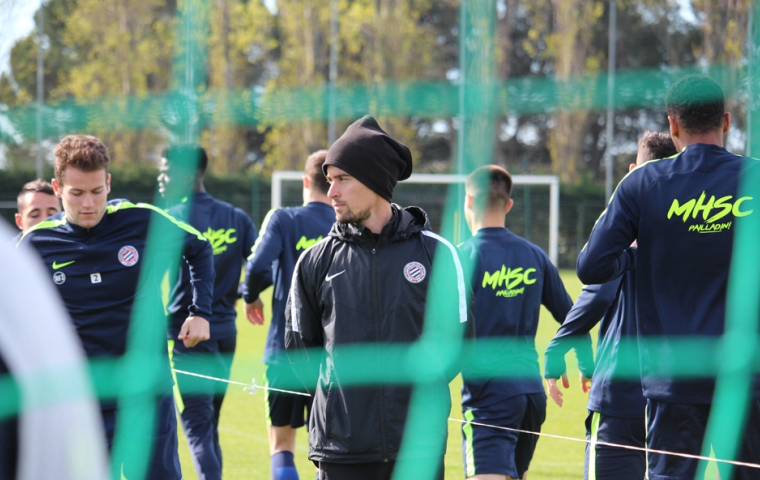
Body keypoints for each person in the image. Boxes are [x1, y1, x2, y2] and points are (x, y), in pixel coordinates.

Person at [577, 75, 760, 479]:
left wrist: (635, 255)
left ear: (673, 125)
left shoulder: (642, 183)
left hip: (672, 382)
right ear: (726, 121)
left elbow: (591, 266)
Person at [285, 116, 471, 480]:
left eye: (342, 179)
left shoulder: (438, 255)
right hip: (340, 450)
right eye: (329, 180)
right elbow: (301, 352)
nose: (331, 192)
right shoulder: (314, 261)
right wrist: (341, 405)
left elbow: (458, 344)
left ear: (374, 181)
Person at [18, 134, 215, 480]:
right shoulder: (36, 243)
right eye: (77, 193)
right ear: (58, 188)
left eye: (97, 191)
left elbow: (199, 247)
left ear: (108, 183)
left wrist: (200, 312)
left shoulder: (141, 220)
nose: (89, 203)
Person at [544, 131, 677, 480]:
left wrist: (558, 345)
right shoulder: (691, 227)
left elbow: (599, 292)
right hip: (675, 394)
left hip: (621, 392)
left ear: (633, 171)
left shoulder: (625, 222)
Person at [458, 165, 574, 480]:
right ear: (508, 204)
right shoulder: (534, 255)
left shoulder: (462, 258)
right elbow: (574, 316)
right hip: (531, 395)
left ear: (468, 200)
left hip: (489, 397)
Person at [158, 144, 257, 480]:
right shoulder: (237, 217)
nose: (160, 179)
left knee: (198, 428)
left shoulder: (171, 218)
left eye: (166, 172)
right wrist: (243, 293)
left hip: (187, 338)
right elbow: (261, 267)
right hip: (226, 334)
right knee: (209, 426)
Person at [243, 149, 334, 480]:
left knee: (281, 443)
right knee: (332, 451)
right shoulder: (346, 222)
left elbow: (257, 266)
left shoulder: (284, 219)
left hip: (285, 350)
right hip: (332, 356)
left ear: (306, 182)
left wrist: (250, 297)